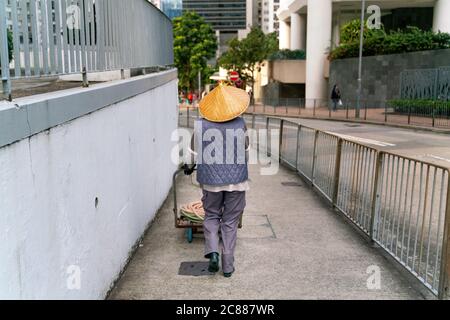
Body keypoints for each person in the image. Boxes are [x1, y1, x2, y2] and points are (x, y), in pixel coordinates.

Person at [187, 83, 250, 278]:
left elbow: (192, 154)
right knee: (230, 221)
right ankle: (228, 267)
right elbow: (246, 152)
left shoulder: (200, 125)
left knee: (212, 216)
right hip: (237, 181)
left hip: (210, 182)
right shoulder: (240, 124)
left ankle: (213, 252)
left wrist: (188, 167)